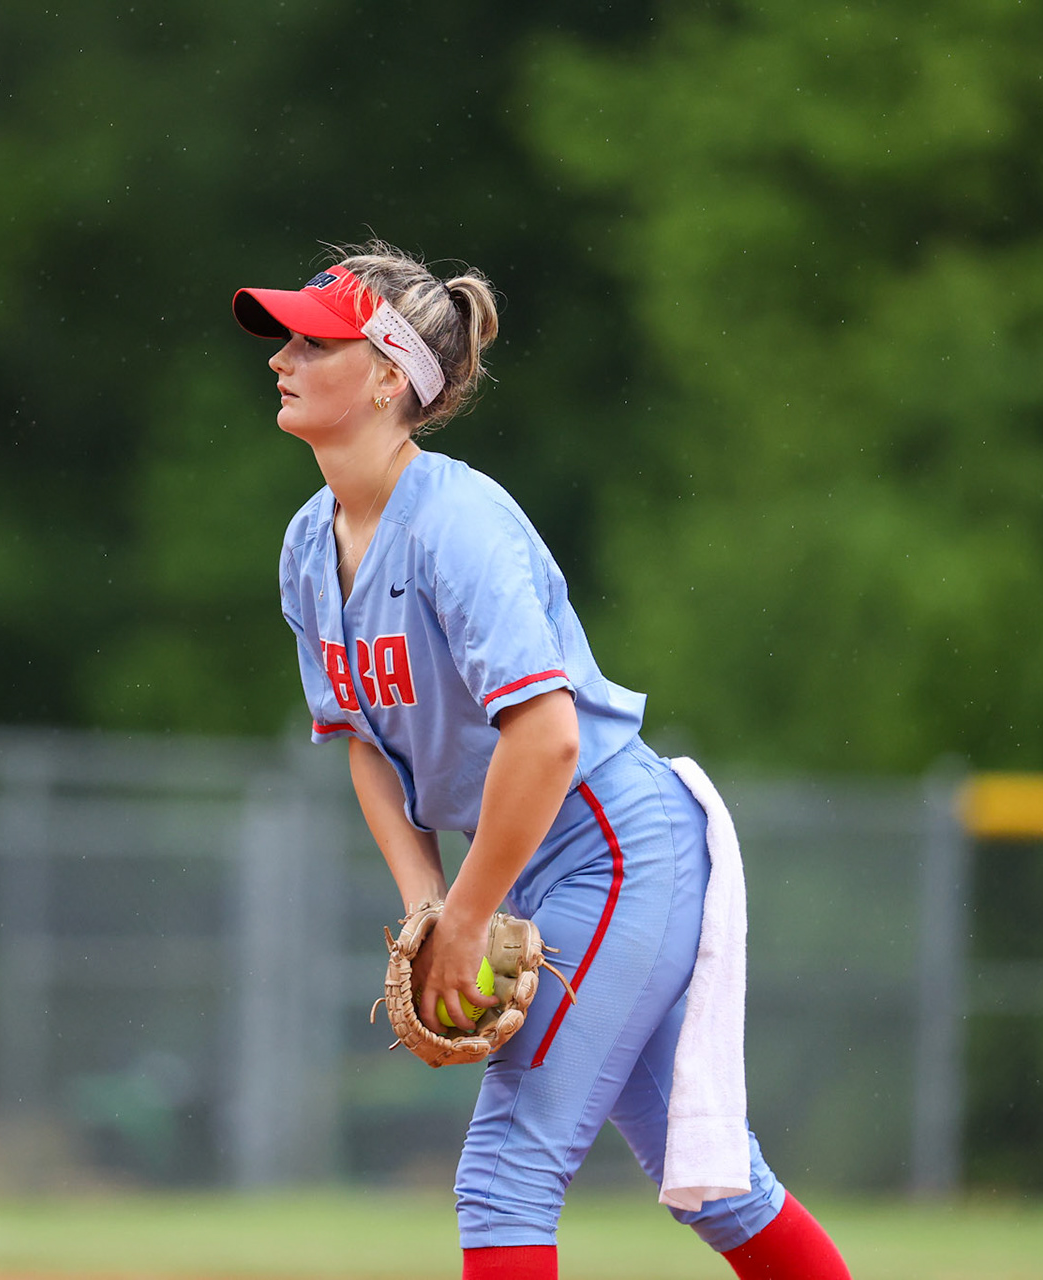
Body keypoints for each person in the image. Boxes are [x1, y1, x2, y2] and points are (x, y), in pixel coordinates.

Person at [233, 242, 851, 1280]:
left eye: (313, 338)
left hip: (614, 840)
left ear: (389, 374)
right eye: (285, 338)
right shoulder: (309, 543)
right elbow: (359, 746)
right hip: (535, 851)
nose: (281, 357)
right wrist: (428, 900)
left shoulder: (457, 521)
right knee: (714, 1179)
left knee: (506, 1166)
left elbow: (549, 735)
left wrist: (469, 917)